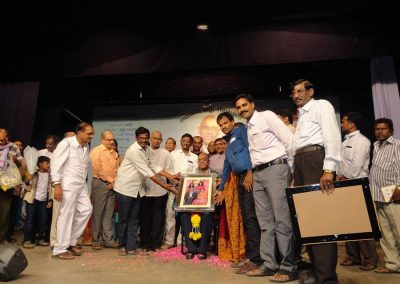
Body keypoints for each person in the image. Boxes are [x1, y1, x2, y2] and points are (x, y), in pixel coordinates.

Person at [235, 94, 297, 282]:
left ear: (253, 104)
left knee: (282, 220)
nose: (242, 109)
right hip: (259, 173)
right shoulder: (247, 127)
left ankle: (289, 266)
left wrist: (292, 171)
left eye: (244, 105)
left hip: (276, 169)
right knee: (265, 223)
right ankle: (269, 264)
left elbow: (289, 140)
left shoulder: (267, 116)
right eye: (238, 107)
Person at [291, 79, 341, 284]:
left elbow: (332, 136)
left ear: (311, 91)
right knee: (307, 221)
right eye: (293, 92)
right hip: (301, 162)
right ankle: (317, 271)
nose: (296, 95)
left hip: (315, 160)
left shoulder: (321, 105)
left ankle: (327, 277)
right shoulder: (300, 115)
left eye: (300, 91)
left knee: (321, 220)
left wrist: (329, 168)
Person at [113, 127, 178, 256]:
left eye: (145, 138)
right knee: (124, 219)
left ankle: (131, 247)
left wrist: (171, 177)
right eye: (141, 138)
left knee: (134, 219)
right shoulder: (133, 151)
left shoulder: (147, 149)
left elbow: (153, 165)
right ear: (136, 138)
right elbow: (148, 172)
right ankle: (122, 245)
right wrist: (165, 186)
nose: (143, 140)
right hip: (125, 188)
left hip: (138, 190)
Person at [214, 112, 263, 274]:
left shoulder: (241, 131)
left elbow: (252, 148)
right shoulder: (228, 142)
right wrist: (220, 190)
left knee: (250, 217)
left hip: (249, 177)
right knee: (246, 217)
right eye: (221, 125)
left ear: (232, 122)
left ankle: (256, 258)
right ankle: (252, 255)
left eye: (225, 123)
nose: (223, 126)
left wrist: (250, 171)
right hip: (238, 179)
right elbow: (227, 166)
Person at [337, 112, 378, 271]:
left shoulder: (362, 141)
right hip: (344, 183)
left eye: (344, 121)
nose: (341, 124)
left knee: (362, 223)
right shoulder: (345, 141)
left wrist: (345, 177)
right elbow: (342, 162)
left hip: (356, 184)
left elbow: (357, 164)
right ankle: (353, 256)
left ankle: (370, 259)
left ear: (351, 123)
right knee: (348, 223)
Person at [51, 122, 95, 260]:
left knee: (87, 209)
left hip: (80, 185)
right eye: (89, 133)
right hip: (67, 184)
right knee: (66, 214)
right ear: (79, 132)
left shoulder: (86, 146)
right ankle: (59, 249)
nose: (91, 136)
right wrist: (57, 184)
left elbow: (83, 168)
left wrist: (85, 188)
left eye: (92, 134)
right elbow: (56, 163)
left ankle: (70, 241)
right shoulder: (67, 143)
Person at [369, 118, 400, 274]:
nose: (380, 132)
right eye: (377, 129)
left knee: (399, 231)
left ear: (391, 130)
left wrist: (399, 189)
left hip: (393, 193)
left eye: (383, 129)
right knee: (386, 234)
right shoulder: (376, 145)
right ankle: (393, 264)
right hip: (378, 193)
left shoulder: (397, 145)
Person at [163, 134, 199, 249]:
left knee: (185, 216)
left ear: (191, 143)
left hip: (188, 191)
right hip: (174, 188)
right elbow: (168, 170)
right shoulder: (173, 154)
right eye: (184, 141)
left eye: (188, 141)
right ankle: (169, 241)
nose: (186, 143)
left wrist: (185, 182)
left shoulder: (194, 157)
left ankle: (180, 242)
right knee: (170, 214)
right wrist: (174, 180)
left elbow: (195, 174)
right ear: (180, 141)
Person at [181, 153, 220, 260]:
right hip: (192, 207)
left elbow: (221, 190)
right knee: (184, 216)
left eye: (204, 159)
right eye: (199, 160)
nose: (202, 161)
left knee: (207, 216)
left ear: (208, 161)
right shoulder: (191, 176)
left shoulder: (215, 175)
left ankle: (202, 250)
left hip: (207, 208)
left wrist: (217, 188)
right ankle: (191, 249)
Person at [139, 131, 173, 252]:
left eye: (159, 139)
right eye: (154, 138)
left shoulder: (165, 153)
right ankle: (144, 244)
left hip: (161, 191)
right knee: (145, 219)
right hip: (146, 189)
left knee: (159, 219)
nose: (156, 141)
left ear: (162, 140)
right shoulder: (144, 150)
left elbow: (168, 170)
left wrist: (172, 183)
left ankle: (156, 244)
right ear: (150, 139)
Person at [90, 131, 119, 250]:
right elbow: (98, 169)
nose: (111, 142)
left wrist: (114, 182)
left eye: (112, 139)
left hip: (112, 185)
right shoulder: (96, 151)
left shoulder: (114, 153)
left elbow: (118, 170)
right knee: (98, 212)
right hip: (100, 183)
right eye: (108, 139)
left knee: (109, 213)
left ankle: (108, 240)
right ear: (102, 139)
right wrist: (110, 180)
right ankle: (96, 240)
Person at [22, 156, 52, 248]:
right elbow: (26, 185)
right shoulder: (33, 173)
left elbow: (50, 188)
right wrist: (28, 179)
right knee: (30, 220)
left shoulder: (49, 175)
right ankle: (27, 240)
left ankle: (40, 239)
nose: (48, 165)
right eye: (46, 163)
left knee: (43, 221)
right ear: (40, 164)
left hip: (43, 201)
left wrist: (50, 199)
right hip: (32, 200)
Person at [0, 128, 23, 244]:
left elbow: (20, 163)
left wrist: (15, 160)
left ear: (7, 138)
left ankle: (2, 237)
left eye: (2, 140)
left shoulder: (13, 147)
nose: (0, 142)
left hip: (6, 183)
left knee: (5, 211)